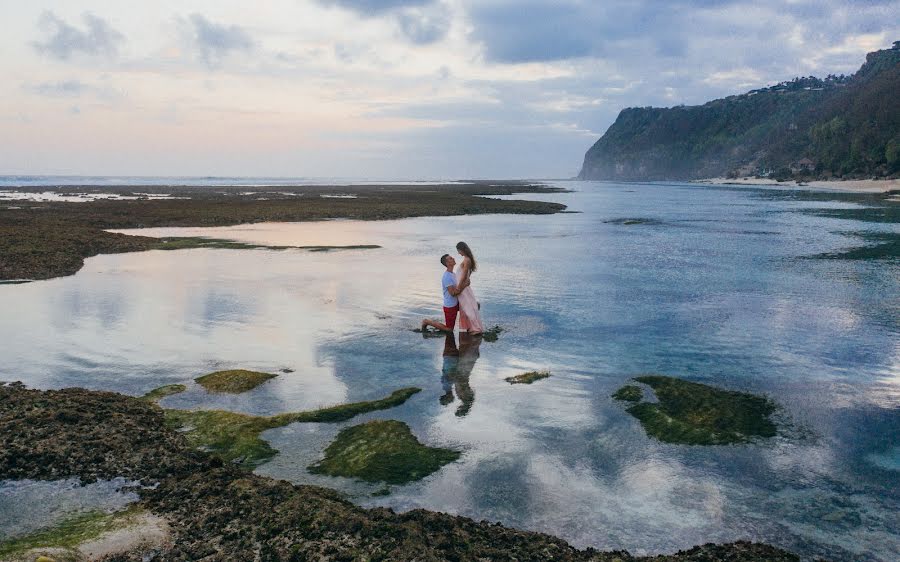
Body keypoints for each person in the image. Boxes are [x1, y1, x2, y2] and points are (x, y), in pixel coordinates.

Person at [421, 253, 469, 333]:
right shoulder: (447, 277)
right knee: (449, 330)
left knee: (474, 305)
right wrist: (464, 285)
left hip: (457, 302)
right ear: (447, 263)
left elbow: (458, 287)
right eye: (450, 258)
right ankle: (426, 321)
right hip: (450, 306)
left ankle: (468, 328)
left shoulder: (453, 274)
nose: (453, 258)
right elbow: (453, 293)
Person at [455, 241, 484, 335]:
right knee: (466, 307)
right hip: (464, 287)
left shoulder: (467, 260)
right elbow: (467, 275)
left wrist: (459, 288)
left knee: (468, 307)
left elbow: (463, 275)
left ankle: (476, 329)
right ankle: (470, 327)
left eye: (459, 251)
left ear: (462, 249)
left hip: (463, 288)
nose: (458, 253)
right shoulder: (467, 259)